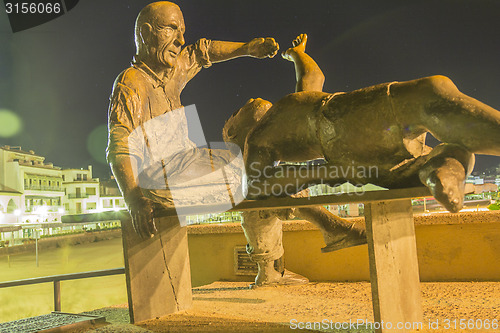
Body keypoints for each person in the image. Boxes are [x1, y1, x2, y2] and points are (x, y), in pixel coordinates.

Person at [107, 2, 365, 287]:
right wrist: (133, 199)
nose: (180, 40)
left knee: (255, 172)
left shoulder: (171, 70)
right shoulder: (132, 83)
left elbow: (201, 51)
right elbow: (119, 144)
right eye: (171, 29)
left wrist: (247, 49)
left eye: (182, 31)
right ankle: (330, 227)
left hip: (187, 167)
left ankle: (276, 267)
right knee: (252, 177)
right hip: (160, 182)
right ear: (145, 33)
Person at [226, 34, 500, 214]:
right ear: (237, 130)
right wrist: (329, 172)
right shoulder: (258, 139)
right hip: (340, 125)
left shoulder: (292, 105)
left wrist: (297, 54)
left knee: (456, 150)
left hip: (365, 160)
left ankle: (441, 172)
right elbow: (256, 187)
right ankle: (441, 167)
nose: (249, 100)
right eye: (239, 111)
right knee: (430, 94)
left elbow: (313, 75)